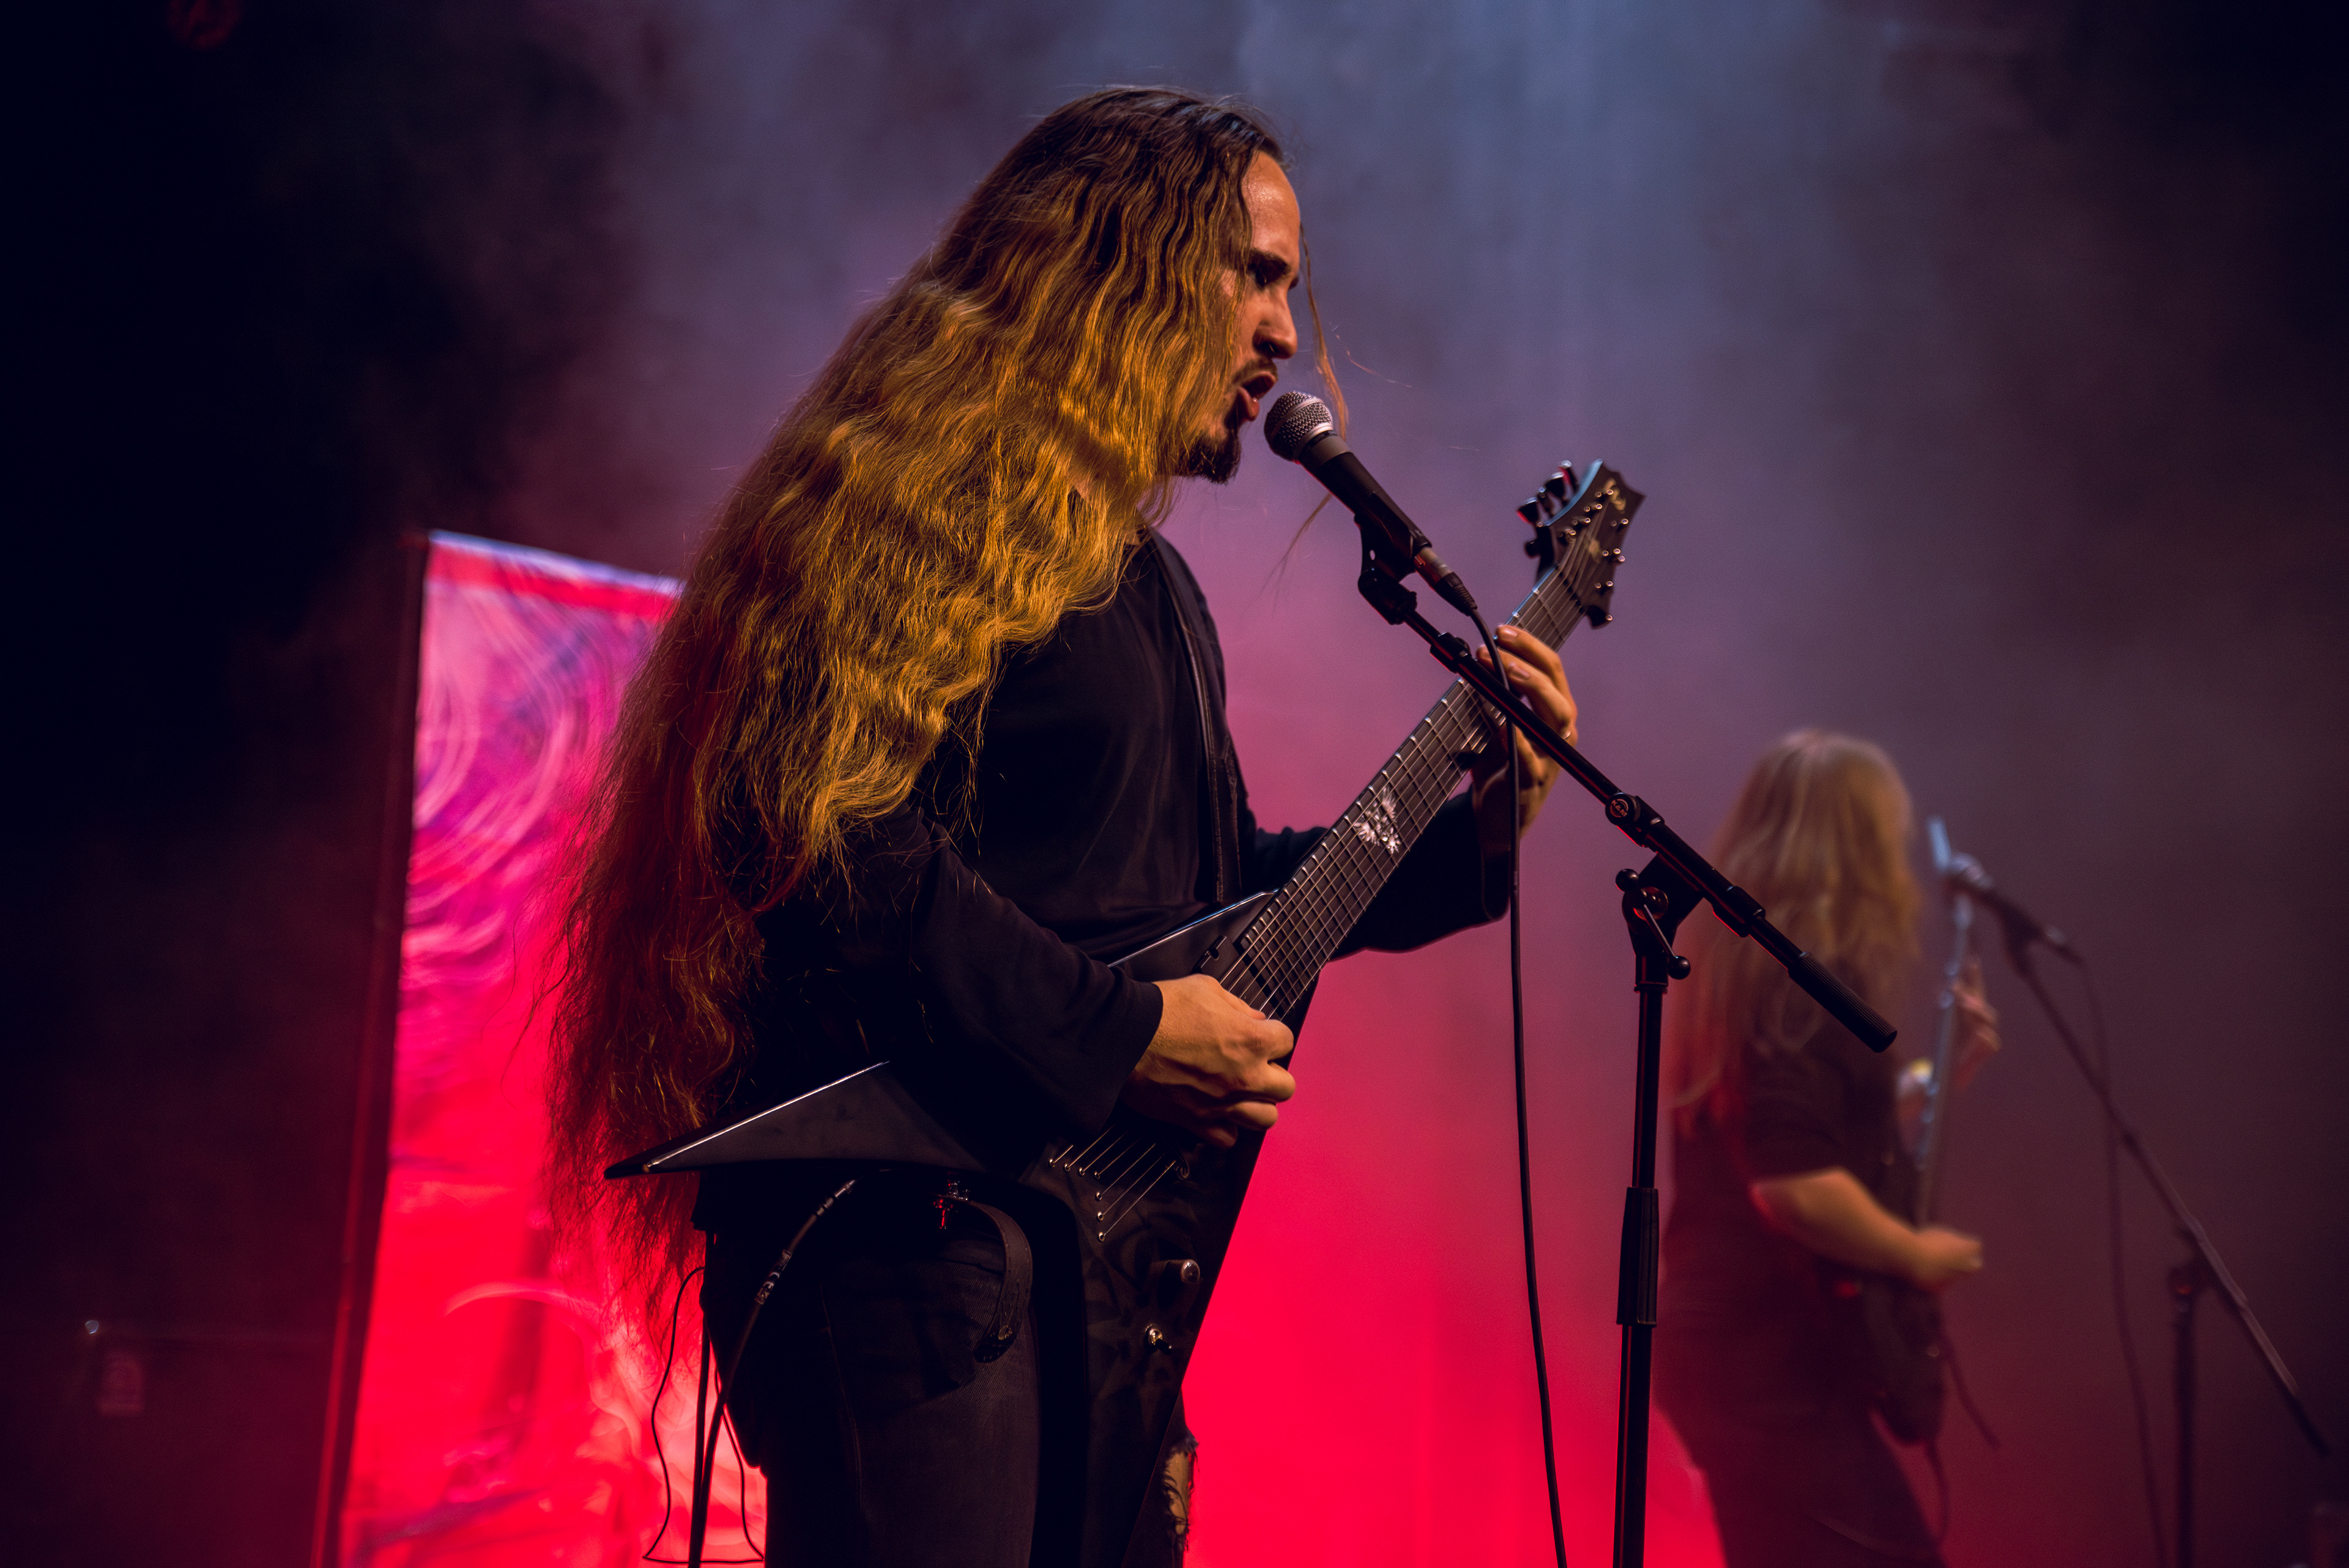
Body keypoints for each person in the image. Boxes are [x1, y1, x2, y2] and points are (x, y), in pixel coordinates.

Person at [546, 89, 1579, 1568]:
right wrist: (1122, 1035)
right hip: (911, 1243)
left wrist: (1481, 824)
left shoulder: (1149, 584)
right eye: (1256, 274)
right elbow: (818, 838)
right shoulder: (918, 493)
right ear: (1122, 263)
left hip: (1079, 1266)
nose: (1285, 333)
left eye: (1289, 288)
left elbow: (1222, 895)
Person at [1655, 730, 2000, 1567]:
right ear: (1860, 844)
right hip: (1764, 1360)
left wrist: (1934, 1077)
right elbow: (1794, 1184)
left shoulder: (1744, 957)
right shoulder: (1803, 978)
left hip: (1736, 1351)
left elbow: (1801, 1117)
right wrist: (1913, 1252)